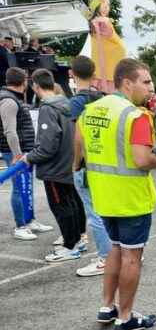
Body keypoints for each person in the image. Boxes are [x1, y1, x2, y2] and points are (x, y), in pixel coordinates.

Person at [73, 58, 156, 330]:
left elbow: (78, 144)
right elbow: (142, 159)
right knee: (132, 257)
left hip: (103, 194)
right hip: (129, 197)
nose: (151, 88)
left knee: (114, 249)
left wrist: (77, 171)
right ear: (127, 83)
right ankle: (125, 316)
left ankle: (107, 306)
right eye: (146, 81)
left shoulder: (90, 110)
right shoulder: (135, 116)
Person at [21, 69, 86, 262]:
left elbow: (47, 146)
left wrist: (29, 157)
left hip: (54, 169)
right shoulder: (67, 103)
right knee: (73, 203)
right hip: (68, 165)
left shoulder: (48, 107)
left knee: (61, 207)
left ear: (35, 86)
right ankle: (78, 239)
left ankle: (69, 246)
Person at [68, 56, 113, 277]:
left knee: (95, 213)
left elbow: (80, 137)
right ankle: (122, 252)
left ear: (72, 74)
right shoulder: (103, 97)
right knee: (110, 210)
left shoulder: (77, 101)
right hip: (108, 161)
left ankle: (105, 258)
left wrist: (77, 163)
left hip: (90, 165)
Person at [1, 67, 54, 240]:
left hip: (24, 152)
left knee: (27, 187)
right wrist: (17, 154)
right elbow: (10, 131)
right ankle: (20, 226)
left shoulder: (13, 99)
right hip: (15, 153)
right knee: (18, 188)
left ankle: (29, 220)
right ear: (23, 81)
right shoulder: (8, 101)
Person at [87, 0, 126, 93]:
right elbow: (109, 34)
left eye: (108, 6)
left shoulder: (95, 22)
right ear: (96, 7)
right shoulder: (103, 22)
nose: (106, 8)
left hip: (106, 68)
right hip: (108, 71)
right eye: (104, 6)